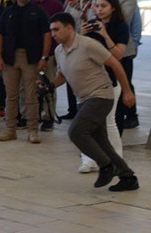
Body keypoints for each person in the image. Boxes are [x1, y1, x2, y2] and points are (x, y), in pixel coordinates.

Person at [45, 13, 139, 191]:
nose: (53, 34)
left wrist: (127, 91)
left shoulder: (88, 45)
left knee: (76, 132)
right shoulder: (59, 51)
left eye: (57, 29)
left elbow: (116, 64)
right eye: (51, 31)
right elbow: (63, 75)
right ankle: (128, 177)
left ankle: (105, 165)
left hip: (101, 96)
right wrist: (49, 86)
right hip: (83, 99)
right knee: (102, 141)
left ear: (69, 28)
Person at [77, 0, 129, 173]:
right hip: (88, 80)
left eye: (103, 6)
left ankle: (117, 159)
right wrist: (81, 36)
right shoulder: (90, 26)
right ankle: (89, 159)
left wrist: (105, 34)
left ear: (113, 7)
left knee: (108, 121)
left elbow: (119, 55)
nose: (99, 10)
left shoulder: (120, 27)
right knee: (86, 123)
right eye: (97, 6)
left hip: (109, 81)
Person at [0, 0, 50, 143]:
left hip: (31, 59)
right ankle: (10, 129)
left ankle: (32, 131)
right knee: (11, 96)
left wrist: (44, 57)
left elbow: (46, 35)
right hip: (10, 59)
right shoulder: (7, 12)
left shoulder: (38, 12)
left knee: (31, 96)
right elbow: (0, 35)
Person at [102, 0, 141, 130]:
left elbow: (123, 18)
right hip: (103, 50)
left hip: (123, 50)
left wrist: (105, 0)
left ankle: (130, 115)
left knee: (125, 84)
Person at [30, 0, 65, 132]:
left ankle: (49, 118)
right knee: (30, 88)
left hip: (50, 54)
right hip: (30, 55)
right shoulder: (27, 3)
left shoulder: (56, 6)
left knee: (49, 86)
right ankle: (32, 117)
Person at [61, 0, 99, 120]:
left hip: (91, 46)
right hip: (73, 45)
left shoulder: (98, 5)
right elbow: (65, 21)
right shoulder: (73, 4)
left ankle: (84, 110)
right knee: (71, 77)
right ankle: (72, 110)